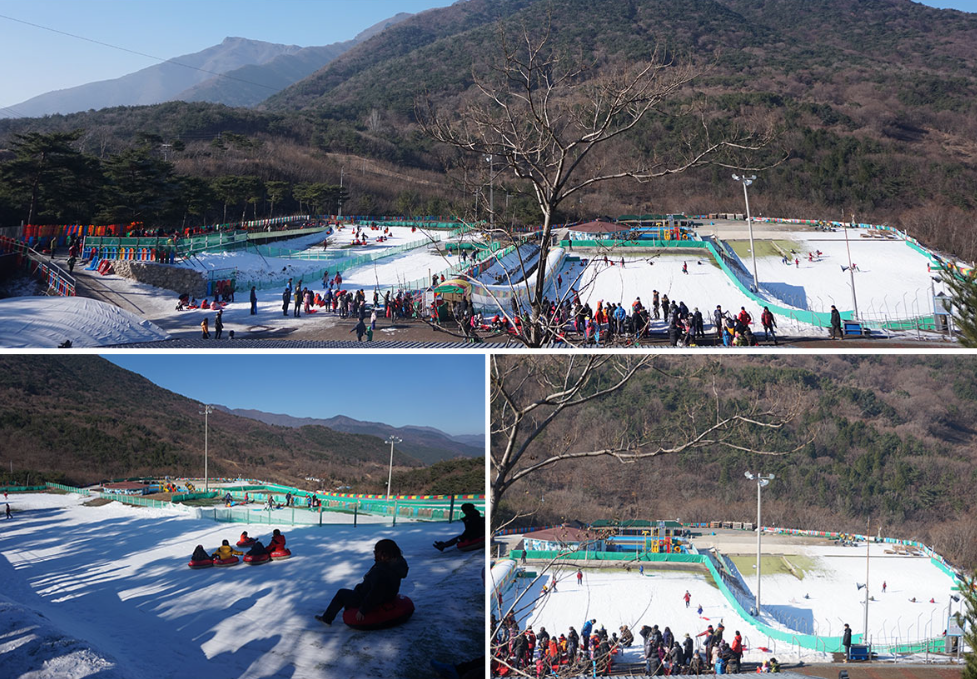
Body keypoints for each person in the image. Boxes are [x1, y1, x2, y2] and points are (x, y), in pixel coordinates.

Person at [315, 539, 409, 625]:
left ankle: (327, 619)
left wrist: (363, 610)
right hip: (389, 595)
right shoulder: (396, 564)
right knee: (355, 590)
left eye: (376, 552)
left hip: (368, 597)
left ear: (383, 554)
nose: (374, 554)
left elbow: (375, 594)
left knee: (341, 594)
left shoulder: (381, 571)